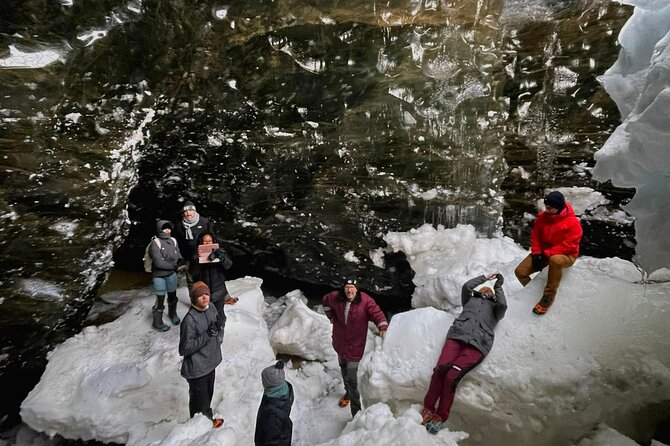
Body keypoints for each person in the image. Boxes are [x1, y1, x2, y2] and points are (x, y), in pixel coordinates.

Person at [422, 273, 507, 434]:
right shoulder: (470, 300)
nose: (486, 291)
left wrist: (497, 285)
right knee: (440, 370)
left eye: (490, 291)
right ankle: (427, 408)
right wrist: (485, 278)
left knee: (452, 376)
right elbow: (466, 287)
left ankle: (440, 417)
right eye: (484, 289)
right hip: (457, 335)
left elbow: (503, 305)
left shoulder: (496, 309)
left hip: (478, 344)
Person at [322, 279, 388, 417]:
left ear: (356, 289)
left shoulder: (365, 301)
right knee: (343, 369)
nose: (349, 290)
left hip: (355, 347)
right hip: (340, 344)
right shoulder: (336, 297)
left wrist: (382, 327)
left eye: (352, 287)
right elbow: (326, 301)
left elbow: (377, 313)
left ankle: (356, 413)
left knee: (352, 379)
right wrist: (331, 316)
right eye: (347, 287)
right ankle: (347, 392)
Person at [514, 190, 583, 315]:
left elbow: (569, 245)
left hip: (566, 255)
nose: (547, 210)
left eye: (550, 208)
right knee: (520, 272)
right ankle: (532, 292)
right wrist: (536, 253)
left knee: (555, 260)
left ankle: (548, 297)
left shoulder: (573, 223)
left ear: (559, 207)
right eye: (546, 207)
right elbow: (535, 235)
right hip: (543, 252)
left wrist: (546, 254)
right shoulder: (543, 217)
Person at [179, 281, 224, 429]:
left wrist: (218, 329)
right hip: (197, 369)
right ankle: (197, 429)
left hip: (210, 363)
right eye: (200, 295)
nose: (204, 298)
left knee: (208, 395)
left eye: (206, 294)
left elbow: (217, 325)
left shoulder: (211, 307)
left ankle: (208, 420)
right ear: (193, 299)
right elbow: (184, 349)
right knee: (199, 402)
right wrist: (207, 335)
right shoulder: (189, 320)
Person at [188, 232, 238, 342]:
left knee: (219, 312)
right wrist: (196, 259)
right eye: (204, 241)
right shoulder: (196, 254)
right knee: (205, 312)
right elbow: (192, 272)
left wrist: (222, 258)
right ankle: (208, 330)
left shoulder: (220, 251)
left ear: (213, 242)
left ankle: (220, 329)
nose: (207, 243)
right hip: (204, 290)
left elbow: (229, 266)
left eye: (209, 241)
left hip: (219, 289)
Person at [148, 220, 183, 331]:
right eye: (164, 228)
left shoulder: (173, 240)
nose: (167, 230)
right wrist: (175, 266)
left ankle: (173, 314)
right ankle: (157, 322)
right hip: (159, 276)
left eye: (169, 228)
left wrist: (181, 261)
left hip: (171, 275)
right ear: (160, 229)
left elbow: (178, 254)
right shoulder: (155, 243)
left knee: (173, 297)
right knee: (160, 299)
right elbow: (158, 263)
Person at [254, 360, 294, 446]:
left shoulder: (271, 414)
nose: (262, 382)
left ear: (270, 384)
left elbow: (272, 441)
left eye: (263, 380)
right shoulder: (284, 392)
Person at [173, 201, 216, 269]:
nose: (188, 213)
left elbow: (213, 238)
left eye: (190, 210)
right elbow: (176, 242)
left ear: (194, 211)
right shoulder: (179, 225)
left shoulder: (204, 222)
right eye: (185, 211)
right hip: (187, 258)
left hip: (204, 255)